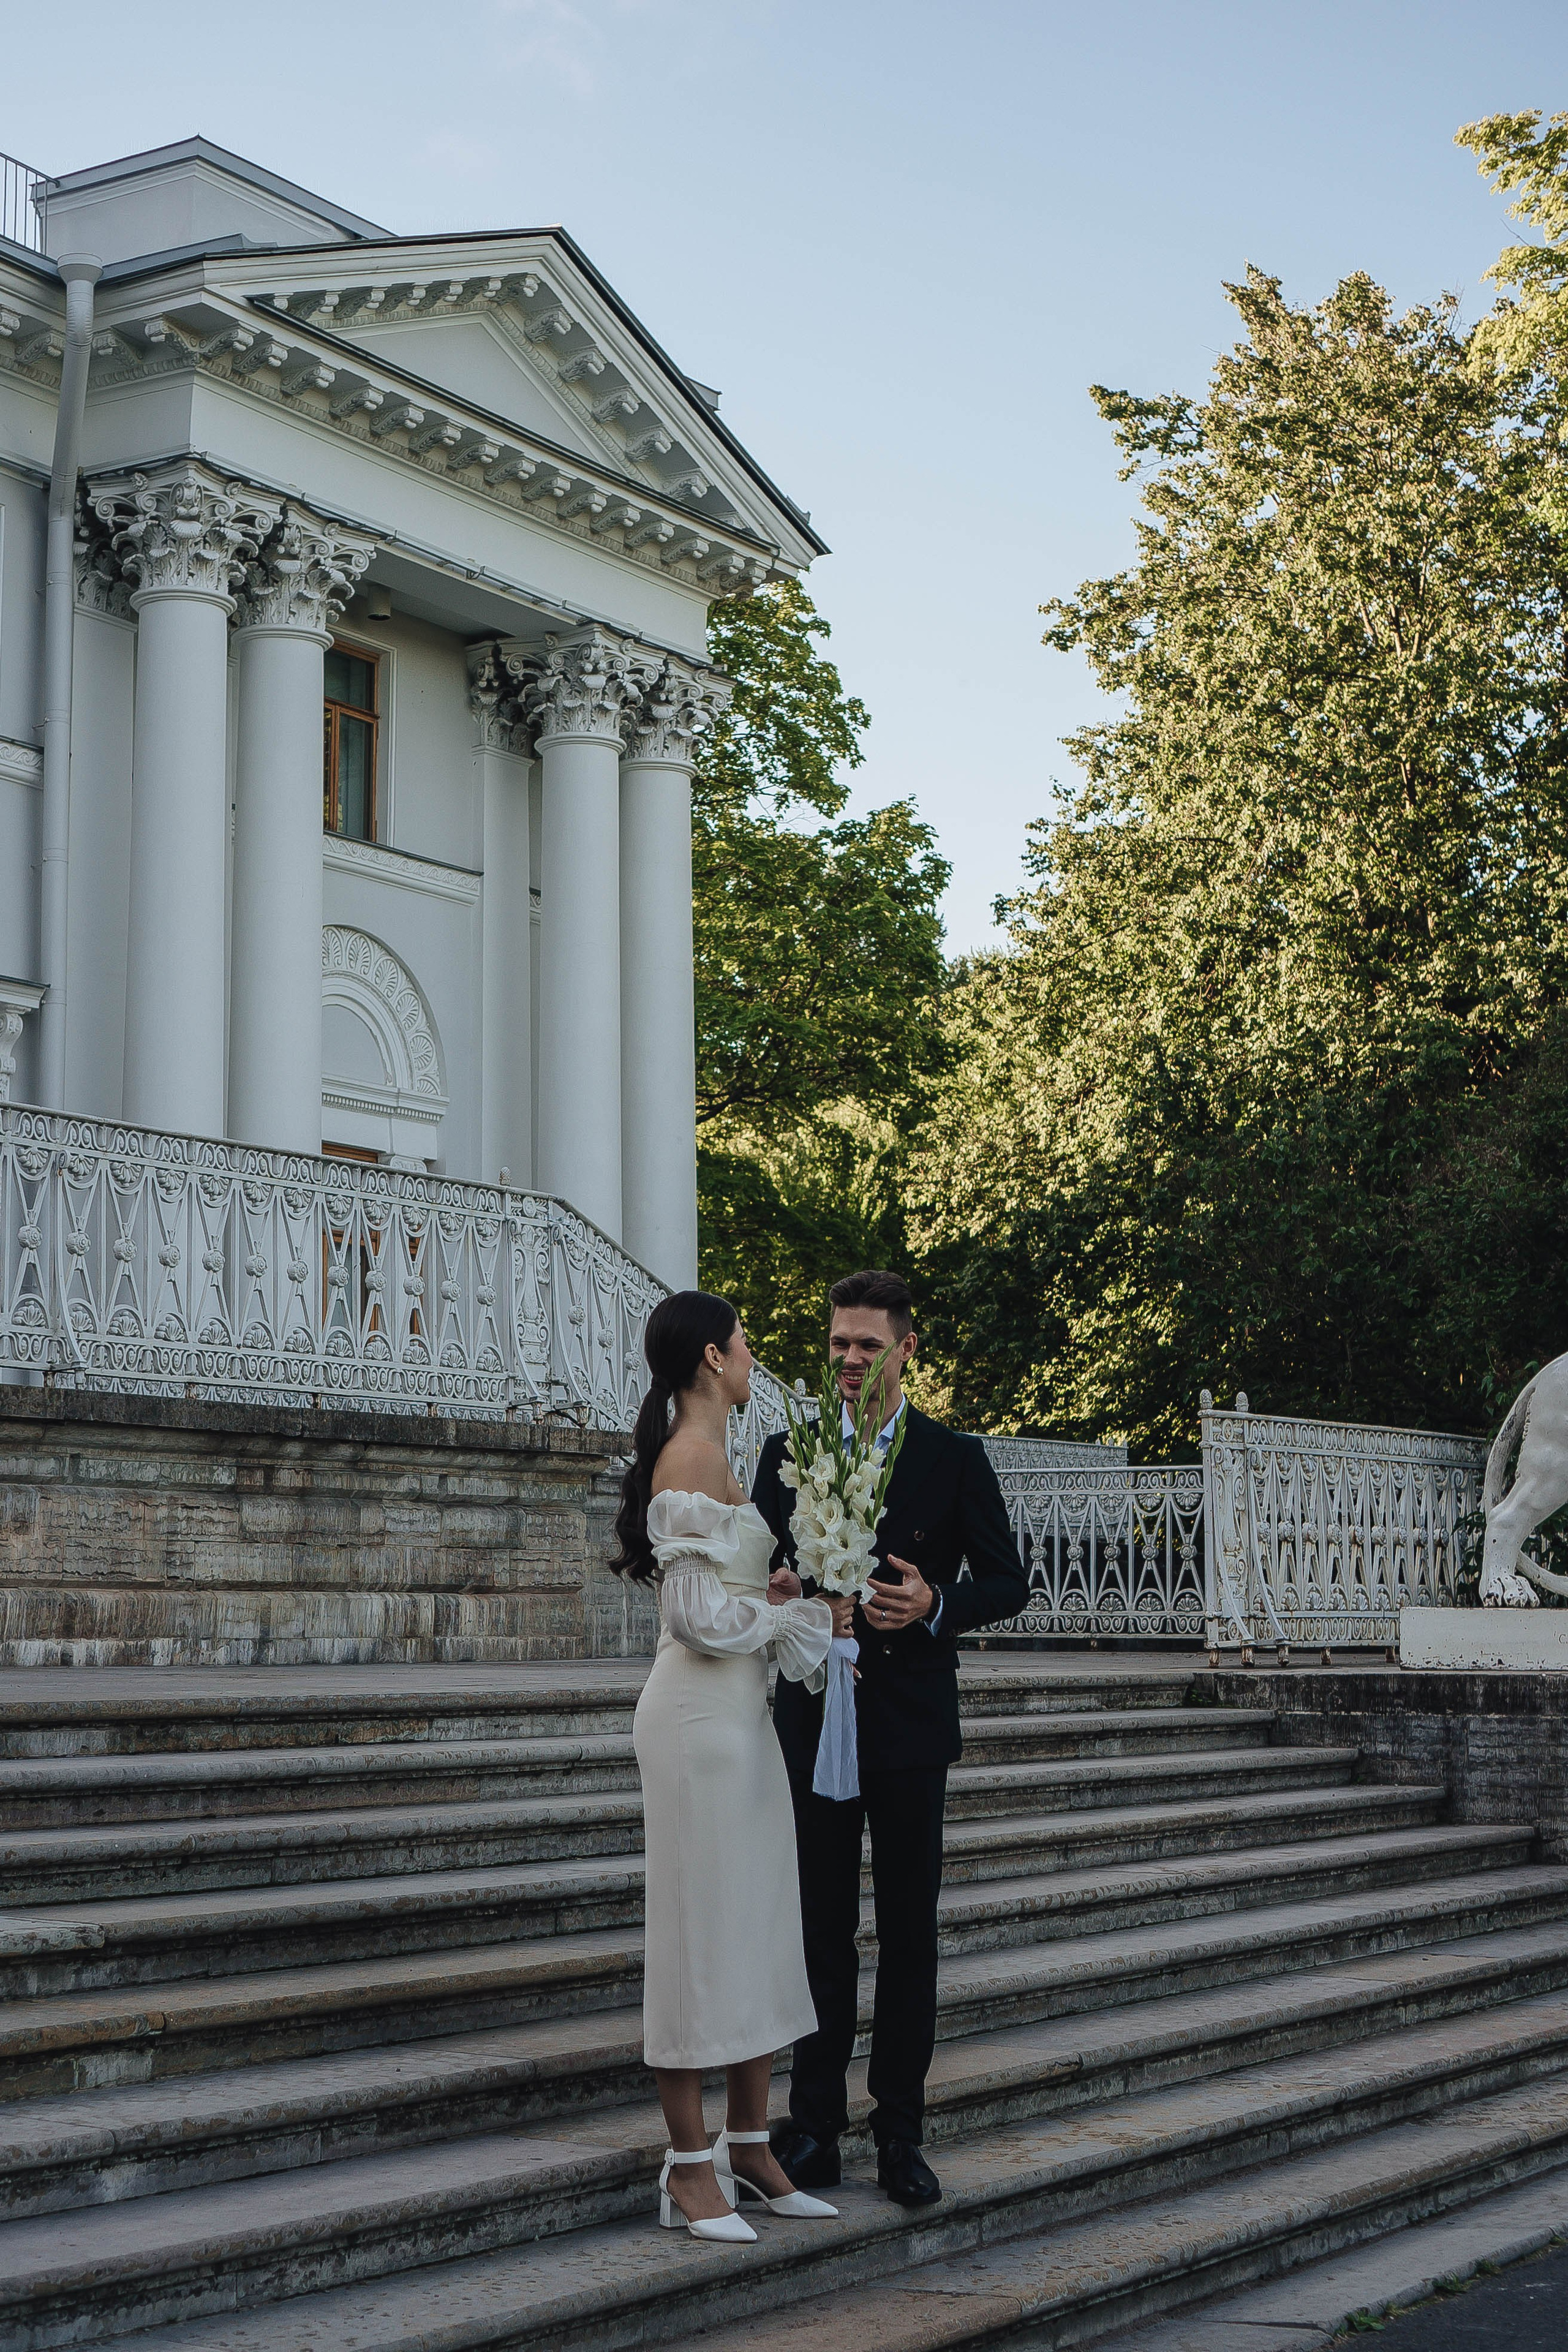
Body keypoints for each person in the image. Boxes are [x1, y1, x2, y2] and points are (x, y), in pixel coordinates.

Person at [752, 1267, 1030, 2207]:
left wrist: (935, 1602)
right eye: (838, 1343)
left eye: (869, 1345)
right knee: (820, 1933)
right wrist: (782, 1595)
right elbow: (762, 1569)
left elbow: (1008, 1582)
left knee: (909, 1937)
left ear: (907, 1350)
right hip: (811, 1723)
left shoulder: (953, 1458)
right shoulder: (786, 1452)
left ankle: (901, 2133)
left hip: (909, 1727)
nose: (849, 1360)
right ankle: (814, 2128)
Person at [613, 1289, 840, 2243]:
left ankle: (752, 2144)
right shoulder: (692, 1458)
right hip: (695, 1726)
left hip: (741, 1723)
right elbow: (692, 1617)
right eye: (745, 1342)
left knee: (755, 1928)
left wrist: (775, 1586)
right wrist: (794, 1617)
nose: (754, 1356)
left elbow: (724, 1588)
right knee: (698, 1938)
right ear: (713, 1358)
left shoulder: (721, 1458)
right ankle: (688, 2167)